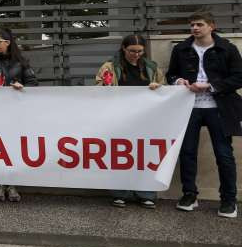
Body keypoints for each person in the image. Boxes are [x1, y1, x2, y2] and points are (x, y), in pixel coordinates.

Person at [167, 11, 242, 219]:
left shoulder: (227, 48)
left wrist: (210, 85)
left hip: (219, 107)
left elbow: (239, 78)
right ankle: (189, 195)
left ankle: (228, 200)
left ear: (212, 26)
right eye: (192, 25)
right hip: (188, 107)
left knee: (224, 154)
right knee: (187, 152)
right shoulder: (181, 49)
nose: (194, 28)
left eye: (199, 24)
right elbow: (171, 74)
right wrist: (178, 81)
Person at [95, 35, 165, 208]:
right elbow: (98, 88)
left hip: (146, 118)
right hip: (119, 117)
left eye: (140, 51)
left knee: (145, 155)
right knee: (120, 155)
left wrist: (158, 87)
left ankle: (146, 194)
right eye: (132, 51)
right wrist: (106, 87)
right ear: (123, 49)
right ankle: (120, 194)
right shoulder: (109, 67)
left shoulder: (151, 67)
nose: (136, 54)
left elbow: (165, 88)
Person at [0, 28, 38, 203]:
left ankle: (12, 185)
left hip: (16, 114)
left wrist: (20, 86)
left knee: (14, 149)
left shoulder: (21, 62)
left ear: (7, 43)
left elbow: (33, 83)